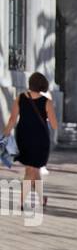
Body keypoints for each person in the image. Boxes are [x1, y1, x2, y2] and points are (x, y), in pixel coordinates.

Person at [3, 70, 57, 207]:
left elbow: (12, 120)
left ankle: (41, 198)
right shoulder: (47, 102)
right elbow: (54, 125)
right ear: (42, 85)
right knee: (31, 170)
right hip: (40, 139)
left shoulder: (20, 98)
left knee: (34, 169)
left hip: (23, 138)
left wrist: (4, 135)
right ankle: (21, 202)